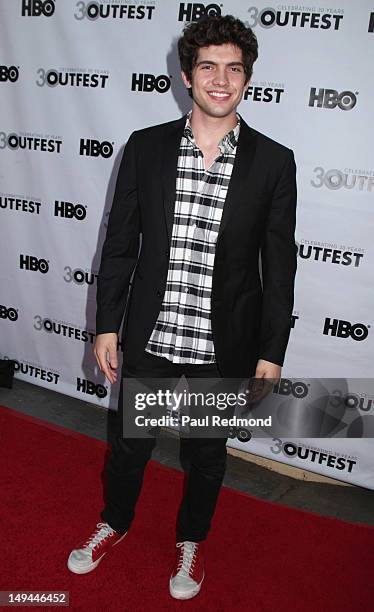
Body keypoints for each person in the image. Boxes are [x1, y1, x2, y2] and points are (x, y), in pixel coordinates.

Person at [67, 14, 297, 600]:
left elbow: (279, 265)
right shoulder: (146, 148)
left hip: (225, 344)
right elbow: (120, 245)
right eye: (208, 67)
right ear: (187, 75)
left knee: (207, 456)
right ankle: (114, 523)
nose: (220, 80)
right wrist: (106, 327)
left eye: (233, 69)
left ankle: (190, 542)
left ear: (246, 79)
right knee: (128, 448)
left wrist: (272, 350)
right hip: (152, 337)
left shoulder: (275, 163)